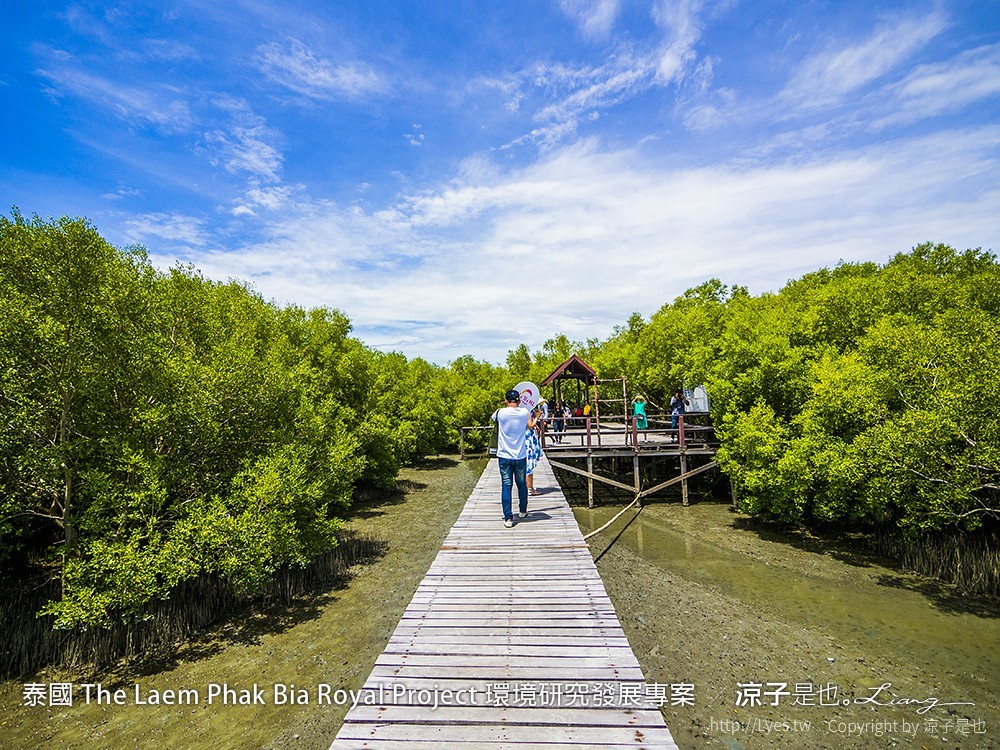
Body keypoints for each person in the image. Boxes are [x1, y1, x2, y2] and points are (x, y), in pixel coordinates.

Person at [491, 389, 537, 527]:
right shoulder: (524, 413)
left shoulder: (500, 412)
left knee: (506, 485)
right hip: (520, 456)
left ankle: (508, 518)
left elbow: (494, 418)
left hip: (504, 456)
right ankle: (522, 511)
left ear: (506, 400)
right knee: (521, 484)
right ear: (519, 400)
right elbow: (530, 425)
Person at [525, 414, 543, 497]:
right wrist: (537, 417)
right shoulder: (527, 412)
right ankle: (530, 488)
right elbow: (530, 426)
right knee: (529, 464)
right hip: (528, 439)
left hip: (524, 438)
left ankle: (528, 487)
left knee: (528, 464)